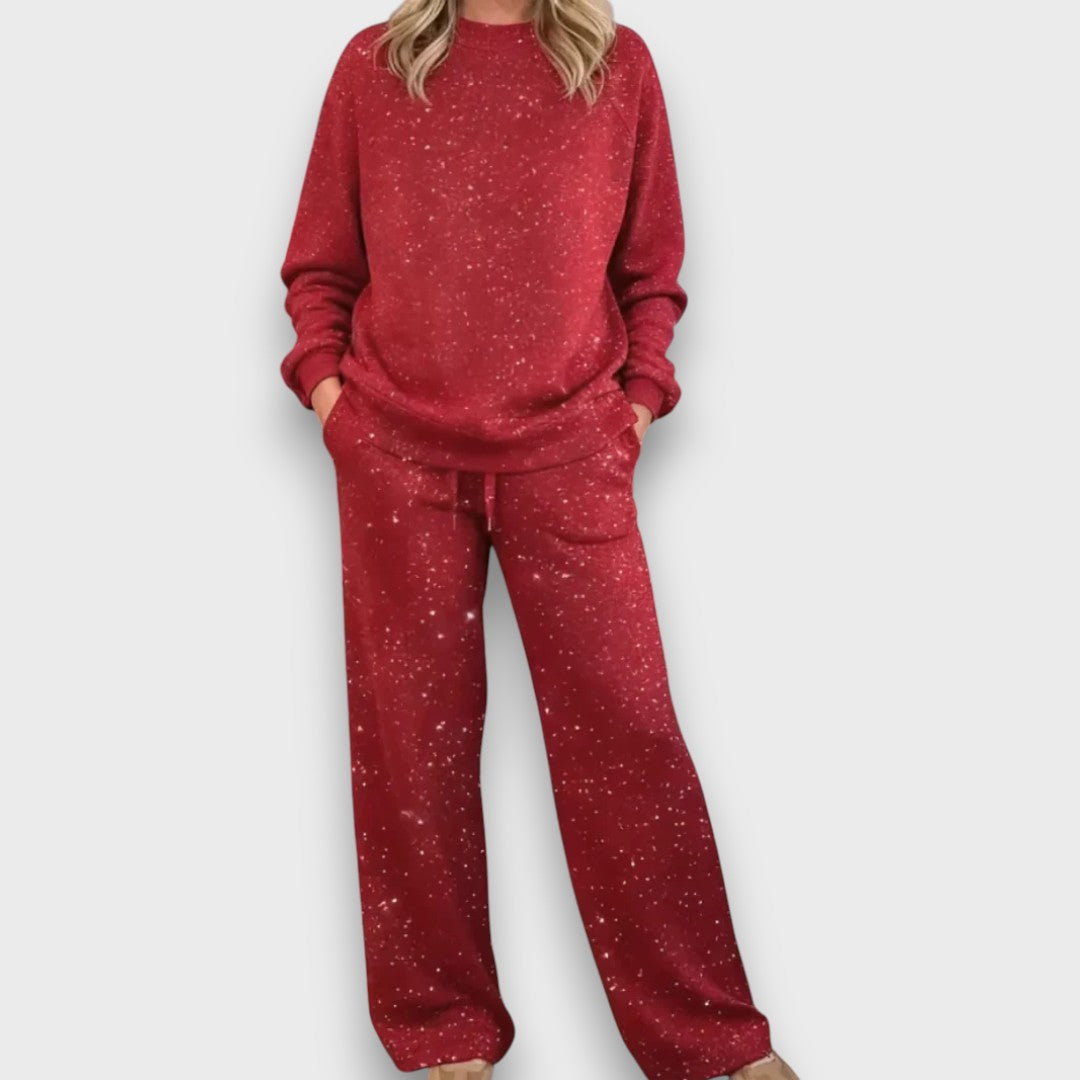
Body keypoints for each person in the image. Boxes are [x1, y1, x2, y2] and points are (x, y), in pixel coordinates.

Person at [278, 2, 800, 1079]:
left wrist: (636, 405)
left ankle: (710, 1040)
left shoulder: (617, 67)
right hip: (396, 456)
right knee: (411, 743)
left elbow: (651, 270)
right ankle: (445, 1035)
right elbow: (321, 265)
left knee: (628, 733)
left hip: (571, 450)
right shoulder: (375, 67)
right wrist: (333, 399)